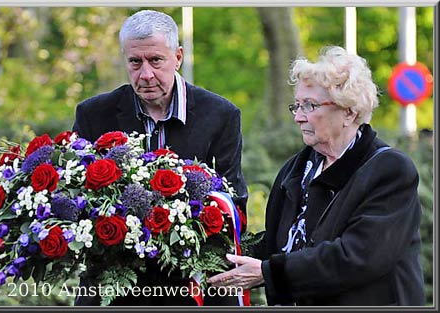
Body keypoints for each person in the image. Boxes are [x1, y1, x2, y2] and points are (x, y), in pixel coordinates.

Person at [208, 46, 425, 306]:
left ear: (349, 112)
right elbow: (282, 243)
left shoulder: (389, 170)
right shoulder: (296, 169)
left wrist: (268, 272)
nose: (298, 117)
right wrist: (216, 251)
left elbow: (357, 257)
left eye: (309, 105)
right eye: (297, 105)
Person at [72, 9, 247, 306]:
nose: (146, 74)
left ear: (177, 57)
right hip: (112, 290)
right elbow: (78, 196)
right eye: (135, 62)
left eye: (156, 60)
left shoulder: (220, 115)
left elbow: (233, 205)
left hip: (192, 288)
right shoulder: (94, 114)